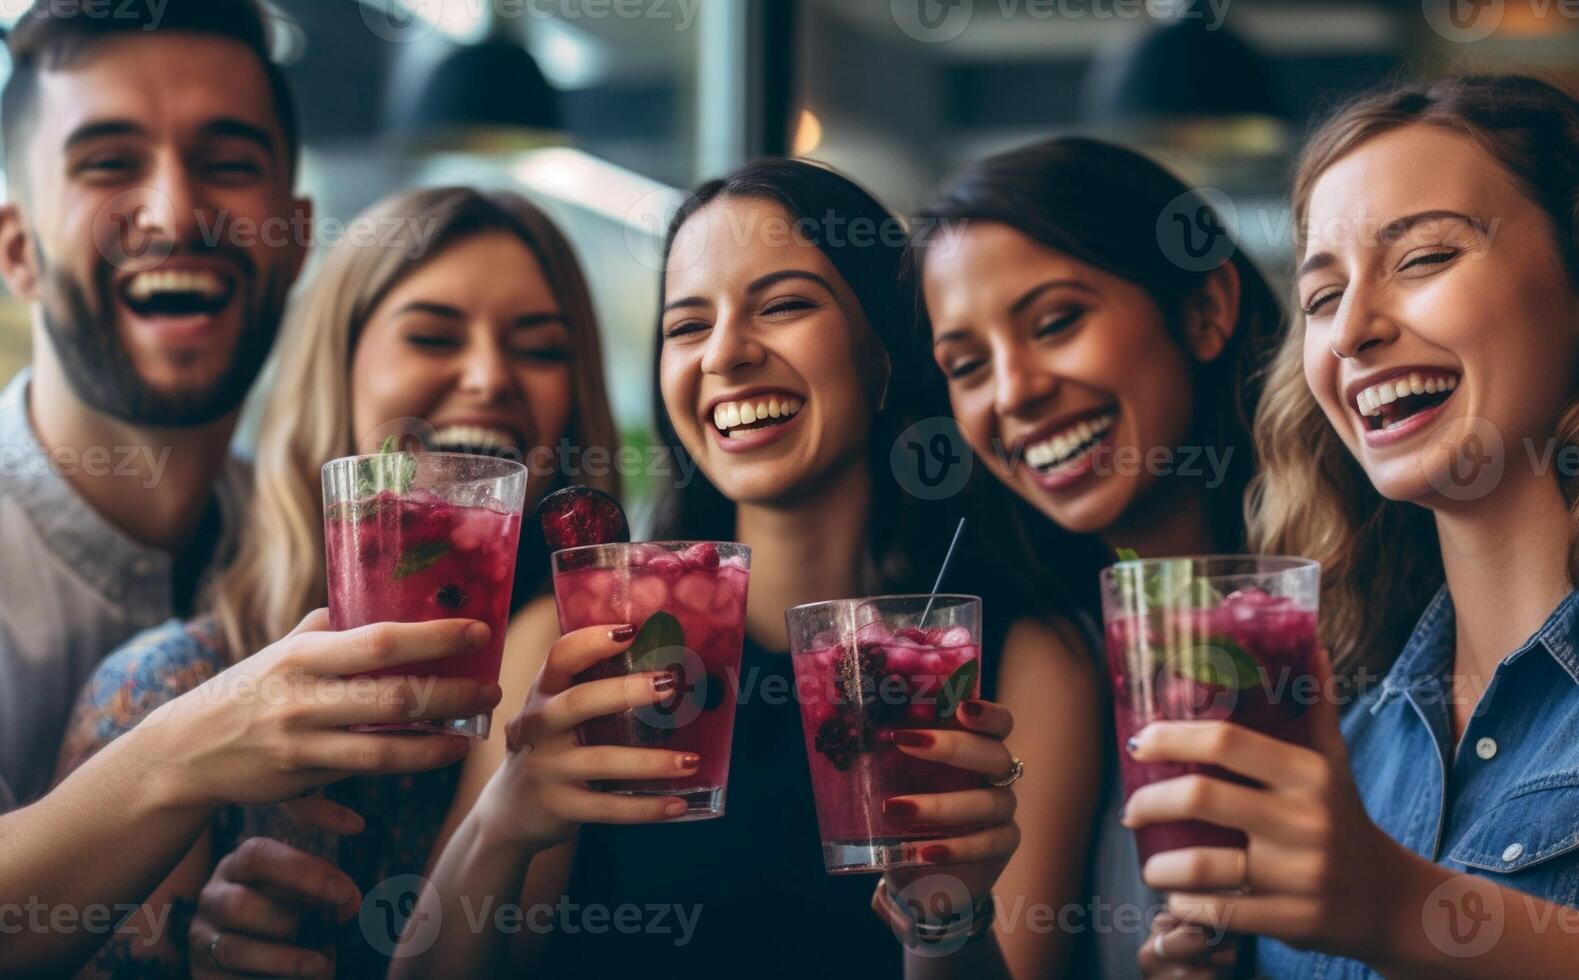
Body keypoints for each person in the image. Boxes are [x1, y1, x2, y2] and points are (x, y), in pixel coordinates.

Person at [394, 158, 1035, 980]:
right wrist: (504, 821)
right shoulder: (575, 638)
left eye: (785, 306)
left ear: (884, 353)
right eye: (687, 326)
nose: (725, 354)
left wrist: (940, 919)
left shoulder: (1005, 652)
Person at [57, 186, 623, 979]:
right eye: (431, 335)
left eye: (538, 348)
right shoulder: (167, 687)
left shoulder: (609, 694)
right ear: (338, 372)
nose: (491, 377)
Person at [1135, 74, 1579, 978]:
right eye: (1320, 297)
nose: (1350, 333)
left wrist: (1399, 908)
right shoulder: (1349, 740)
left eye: (1422, 258)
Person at [912, 136, 1283, 977]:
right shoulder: (1062, 649)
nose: (1013, 391)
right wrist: (937, 913)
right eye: (966, 366)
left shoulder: (1376, 604)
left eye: (1055, 323)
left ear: (1202, 310)